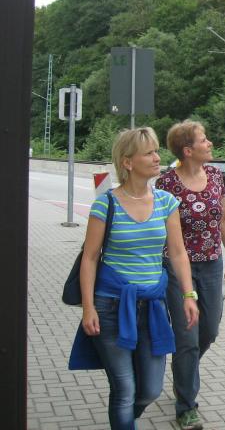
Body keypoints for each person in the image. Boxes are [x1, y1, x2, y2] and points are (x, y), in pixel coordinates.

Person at [68, 127, 199, 430]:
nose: (157, 157)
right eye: (149, 153)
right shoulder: (106, 204)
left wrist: (188, 295)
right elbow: (90, 258)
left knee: (150, 389)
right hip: (111, 307)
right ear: (128, 162)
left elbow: (178, 253)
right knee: (124, 389)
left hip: (152, 307)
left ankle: (125, 419)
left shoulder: (166, 202)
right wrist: (88, 307)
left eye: (156, 151)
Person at [156, 120, 225, 430]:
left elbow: (224, 218)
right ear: (187, 150)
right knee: (187, 337)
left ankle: (183, 369)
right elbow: (161, 230)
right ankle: (186, 407)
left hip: (212, 263)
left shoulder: (215, 176)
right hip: (179, 268)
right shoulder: (167, 183)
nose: (210, 143)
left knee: (210, 330)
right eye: (204, 140)